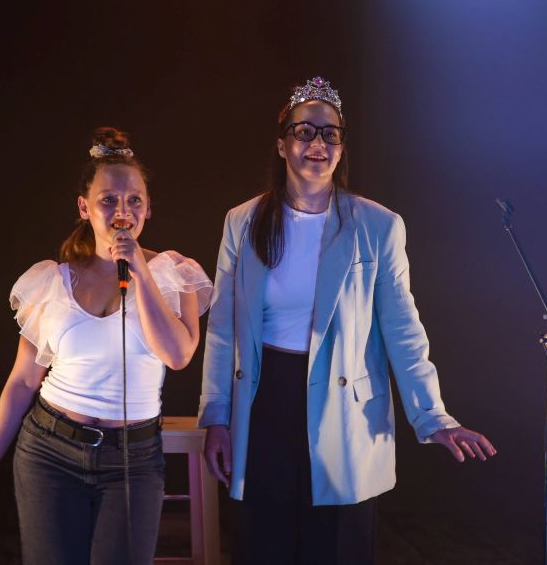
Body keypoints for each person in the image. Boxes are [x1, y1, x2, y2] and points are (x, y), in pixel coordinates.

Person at [198, 77, 497, 564]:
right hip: (263, 399)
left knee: (334, 547)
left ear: (341, 147)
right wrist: (216, 417)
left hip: (344, 408)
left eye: (330, 134)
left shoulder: (377, 225)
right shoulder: (242, 221)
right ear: (281, 144)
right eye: (305, 131)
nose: (318, 143)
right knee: (263, 544)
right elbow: (223, 329)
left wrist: (433, 415)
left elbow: (403, 329)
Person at [0, 127, 213, 565]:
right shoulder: (52, 280)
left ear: (148, 208)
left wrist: (139, 267)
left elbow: (178, 356)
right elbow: (24, 380)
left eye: (134, 199)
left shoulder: (174, 274)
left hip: (133, 460)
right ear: (85, 207)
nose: (123, 209)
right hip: (50, 452)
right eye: (108, 199)